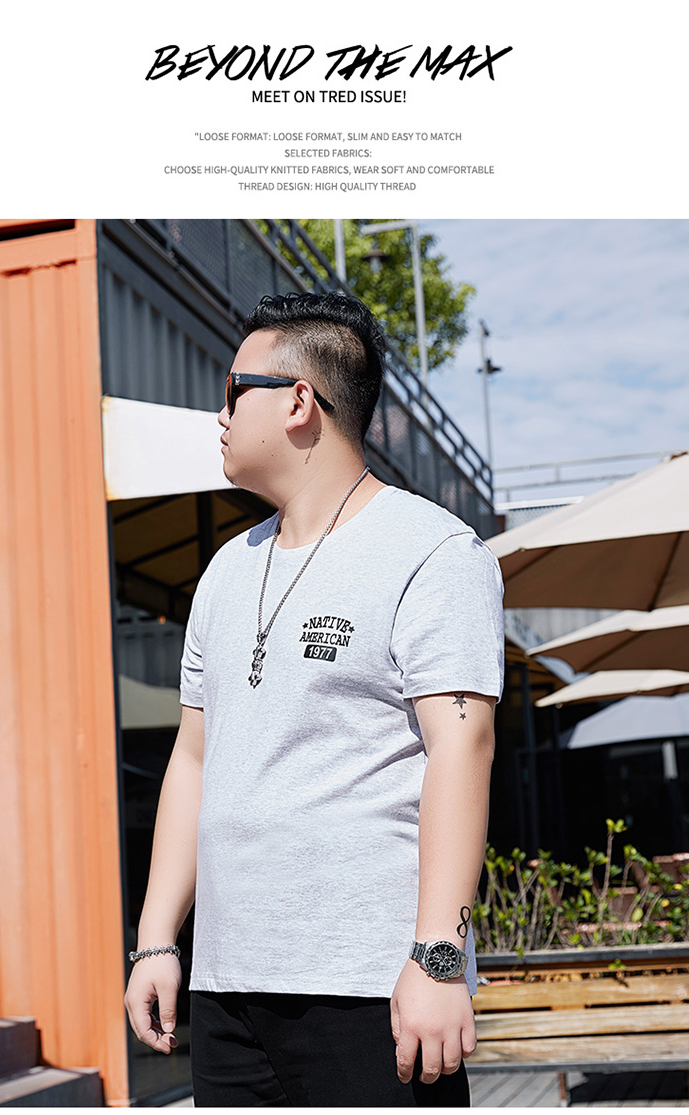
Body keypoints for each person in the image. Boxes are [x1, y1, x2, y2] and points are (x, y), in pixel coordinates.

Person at [124, 291, 504, 1106]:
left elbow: (463, 747)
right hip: (229, 988)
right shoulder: (224, 572)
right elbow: (192, 760)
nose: (220, 414)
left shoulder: (434, 551)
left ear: (299, 401)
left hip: (370, 985)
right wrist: (155, 938)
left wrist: (438, 958)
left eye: (234, 391)